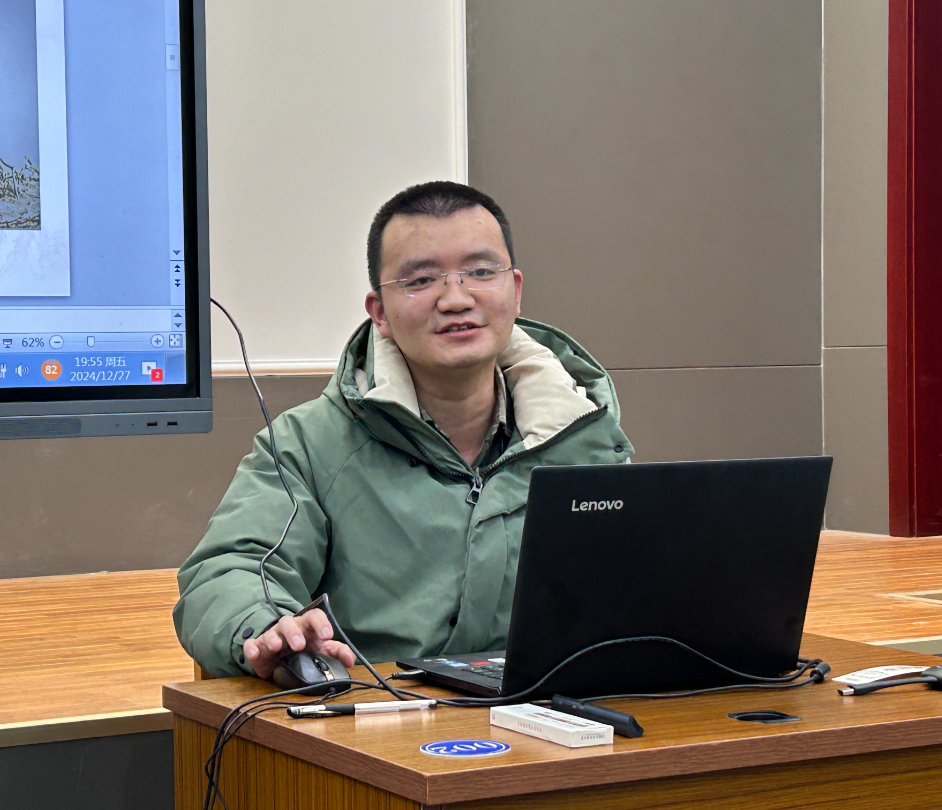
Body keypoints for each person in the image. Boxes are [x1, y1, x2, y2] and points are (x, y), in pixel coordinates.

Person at [174, 182, 633, 678]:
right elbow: (230, 571)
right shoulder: (308, 445)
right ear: (380, 313)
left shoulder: (580, 433)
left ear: (516, 290)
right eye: (421, 280)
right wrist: (267, 626)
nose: (456, 299)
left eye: (481, 272)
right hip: (381, 711)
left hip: (552, 710)